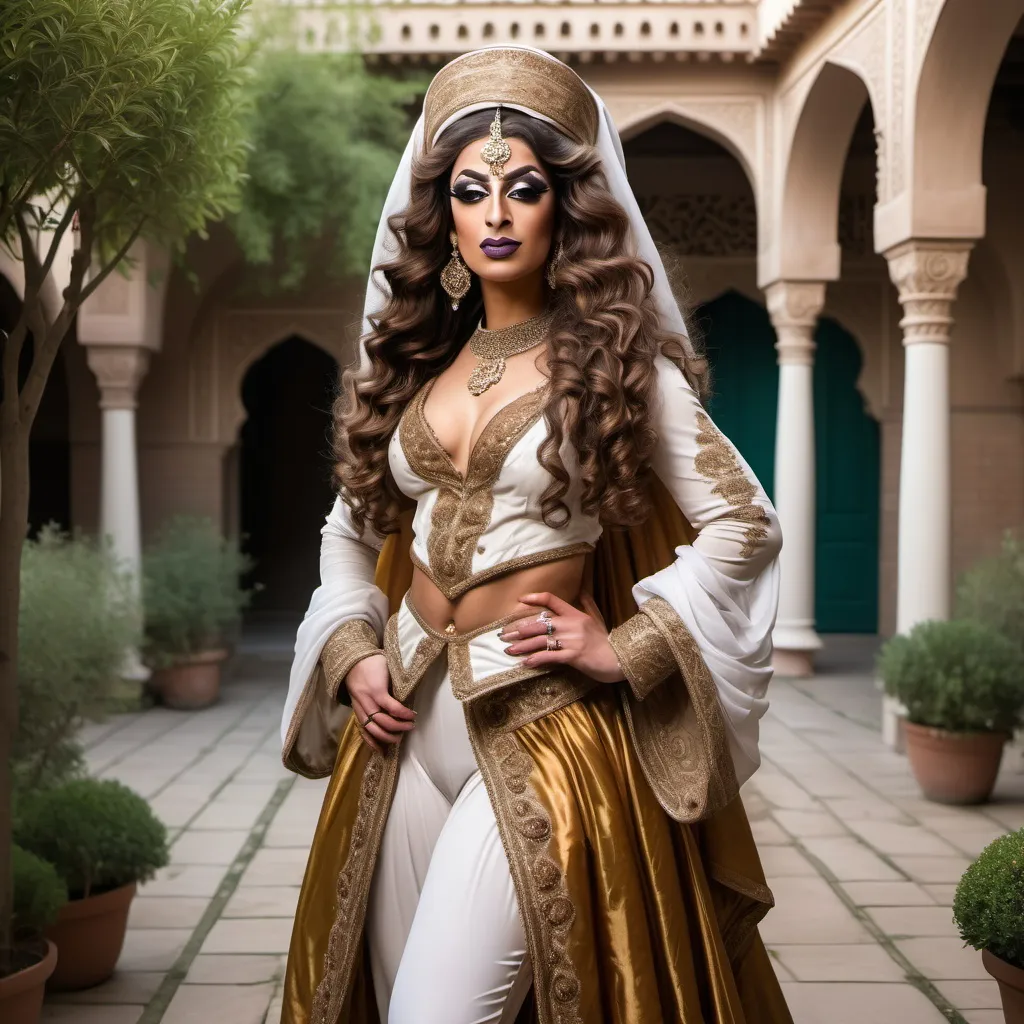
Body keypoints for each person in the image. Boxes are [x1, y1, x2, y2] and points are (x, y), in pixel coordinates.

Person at [279, 44, 792, 1024]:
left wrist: (626, 642)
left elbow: (743, 523)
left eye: (523, 188)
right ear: (447, 216)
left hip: (544, 723)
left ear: (565, 206)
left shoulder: (620, 368)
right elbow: (348, 529)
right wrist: (351, 650)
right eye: (472, 191)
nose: (498, 212)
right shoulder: (416, 370)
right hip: (402, 730)